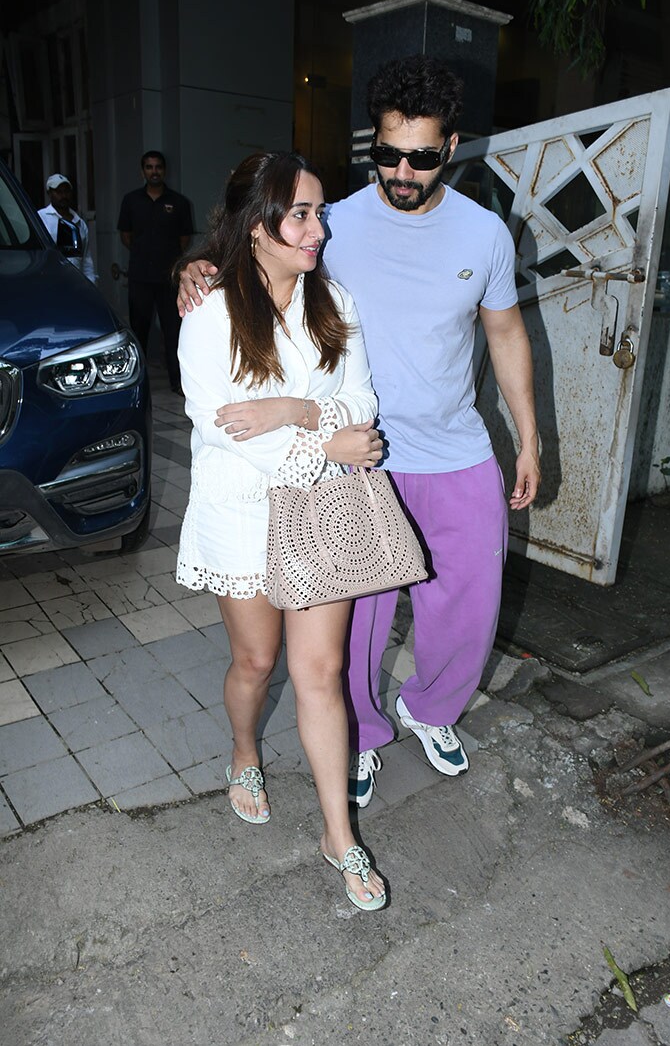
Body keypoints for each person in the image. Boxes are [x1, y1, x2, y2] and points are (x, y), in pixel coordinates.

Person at [178, 55, 541, 809]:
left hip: (454, 446)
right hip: (348, 462)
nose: (401, 171)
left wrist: (529, 437)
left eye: (420, 156)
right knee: (353, 633)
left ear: (452, 147)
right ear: (370, 144)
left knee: (472, 604)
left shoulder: (485, 236)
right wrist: (196, 267)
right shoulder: (332, 221)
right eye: (386, 153)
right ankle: (363, 736)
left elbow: (505, 335)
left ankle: (432, 708)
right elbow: (258, 238)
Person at [175, 151, 386, 911]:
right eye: (300, 213)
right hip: (241, 509)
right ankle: (243, 750)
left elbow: (361, 405)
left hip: (323, 508)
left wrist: (297, 415)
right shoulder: (209, 311)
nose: (317, 228)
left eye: (320, 211)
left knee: (320, 673)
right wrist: (323, 438)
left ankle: (339, 832)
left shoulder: (336, 302)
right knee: (257, 661)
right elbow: (222, 425)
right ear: (254, 226)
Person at [118, 151, 193, 394]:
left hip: (169, 279)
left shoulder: (179, 202)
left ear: (164, 170)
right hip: (140, 277)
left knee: (174, 332)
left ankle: (177, 382)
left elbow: (184, 240)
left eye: (158, 167)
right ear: (143, 171)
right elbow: (126, 236)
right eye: (149, 167)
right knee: (139, 331)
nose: (154, 171)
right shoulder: (131, 201)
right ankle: (136, 384)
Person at [38, 174, 97, 283]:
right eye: (59, 192)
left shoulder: (79, 223)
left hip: (76, 284)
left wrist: (91, 285)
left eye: (66, 191)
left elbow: (86, 261)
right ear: (50, 193)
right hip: (50, 283)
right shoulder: (41, 218)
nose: (63, 195)